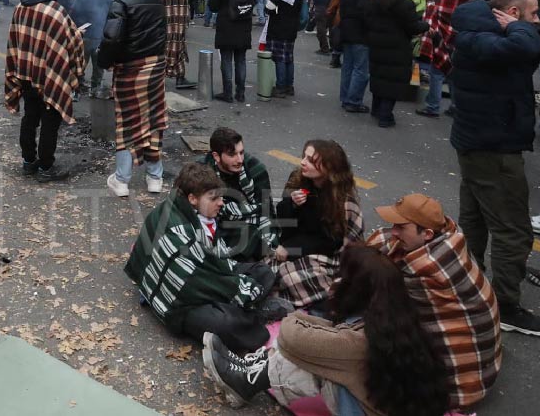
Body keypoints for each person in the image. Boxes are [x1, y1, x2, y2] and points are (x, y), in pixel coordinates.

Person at [205, 244, 450, 416]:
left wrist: (296, 317)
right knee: (318, 344)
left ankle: (245, 380)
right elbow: (334, 330)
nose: (337, 280)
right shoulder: (395, 319)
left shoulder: (358, 342)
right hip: (386, 404)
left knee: (308, 358)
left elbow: (291, 337)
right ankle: (251, 368)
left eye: (343, 276)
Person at [450, 0, 540, 334]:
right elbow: (527, 46)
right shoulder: (484, 38)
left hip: (483, 143)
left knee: (475, 220)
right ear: (513, 12)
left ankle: (466, 286)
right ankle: (506, 306)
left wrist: (518, 25)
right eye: (533, 13)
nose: (538, 21)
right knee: (512, 229)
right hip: (493, 148)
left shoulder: (482, 31)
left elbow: (528, 52)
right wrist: (520, 27)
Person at [125, 163, 278, 354]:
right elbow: (192, 282)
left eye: (221, 197)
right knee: (227, 325)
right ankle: (247, 310)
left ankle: (243, 307)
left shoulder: (195, 213)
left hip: (206, 277)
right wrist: (239, 289)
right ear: (193, 199)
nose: (221, 203)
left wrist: (236, 283)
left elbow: (216, 263)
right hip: (180, 302)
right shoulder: (177, 229)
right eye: (214, 198)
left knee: (263, 272)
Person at [367, 194, 501, 409]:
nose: (393, 231)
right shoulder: (449, 234)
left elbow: (374, 293)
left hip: (458, 385)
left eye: (401, 227)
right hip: (483, 360)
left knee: (369, 331)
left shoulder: (426, 268)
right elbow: (385, 241)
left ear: (427, 233)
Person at [4, 0, 85, 182]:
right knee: (50, 121)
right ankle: (46, 167)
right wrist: (78, 70)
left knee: (30, 117)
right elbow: (73, 42)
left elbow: (15, 40)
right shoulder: (56, 11)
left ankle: (29, 161)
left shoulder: (20, 7)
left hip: (27, 73)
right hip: (49, 76)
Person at [97, 0, 168, 197]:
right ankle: (155, 178)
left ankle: (122, 180)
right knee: (154, 121)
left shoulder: (121, 2)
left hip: (130, 71)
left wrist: (103, 61)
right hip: (156, 68)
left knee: (127, 123)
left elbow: (112, 38)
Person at [274, 139, 364, 307]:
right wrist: (291, 204)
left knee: (292, 277)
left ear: (328, 167)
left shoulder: (343, 200)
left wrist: (292, 247)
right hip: (296, 243)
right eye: (304, 157)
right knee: (272, 271)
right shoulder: (298, 179)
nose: (302, 162)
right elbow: (283, 220)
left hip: (331, 253)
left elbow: (333, 241)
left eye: (310, 160)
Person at [199, 127, 277, 261]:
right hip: (218, 231)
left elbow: (266, 209)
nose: (240, 159)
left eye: (241, 152)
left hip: (254, 226)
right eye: (232, 155)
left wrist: (271, 243)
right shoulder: (201, 172)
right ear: (216, 156)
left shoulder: (255, 169)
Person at [416, 0, 481, 118]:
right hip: (466, 36)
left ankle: (432, 106)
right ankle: (455, 106)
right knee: (454, 73)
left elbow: (442, 12)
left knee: (437, 72)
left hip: (446, 36)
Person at [365, 0, 427, 127]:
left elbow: (368, 19)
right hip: (397, 46)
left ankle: (376, 109)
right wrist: (425, 26)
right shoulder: (405, 4)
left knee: (379, 76)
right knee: (392, 80)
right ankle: (385, 116)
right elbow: (412, 26)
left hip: (377, 43)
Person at [209, 0, 254, 102]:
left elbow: (213, 6)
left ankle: (227, 93)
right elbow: (253, 3)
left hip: (226, 25)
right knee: (241, 59)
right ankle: (240, 93)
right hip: (244, 25)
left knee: (226, 59)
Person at [331, 0, 374, 113]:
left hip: (346, 32)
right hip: (360, 34)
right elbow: (366, 15)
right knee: (360, 69)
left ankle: (345, 97)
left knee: (348, 67)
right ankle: (354, 100)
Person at [149, 0, 194, 89]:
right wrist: (185, 18)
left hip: (158, 22)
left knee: (157, 51)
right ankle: (180, 77)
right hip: (175, 22)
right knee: (177, 47)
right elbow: (183, 0)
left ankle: (156, 79)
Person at [265, 0, 303, 98]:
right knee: (289, 57)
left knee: (280, 57)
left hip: (279, 24)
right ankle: (289, 86)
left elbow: (271, 4)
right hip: (292, 24)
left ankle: (280, 86)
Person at [70, 0, 111, 97]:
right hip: (85, 36)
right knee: (80, 64)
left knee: (99, 66)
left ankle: (96, 87)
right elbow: (74, 13)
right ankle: (77, 87)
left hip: (100, 36)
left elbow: (110, 12)